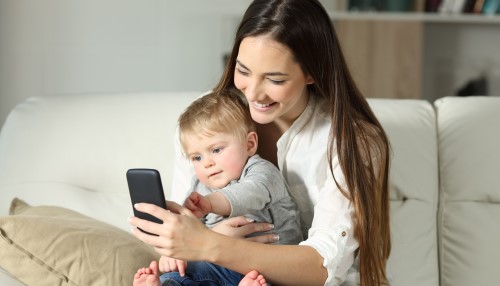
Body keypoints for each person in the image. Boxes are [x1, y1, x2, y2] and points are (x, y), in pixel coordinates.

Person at [129, 0, 391, 285]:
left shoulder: (353, 142)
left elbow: (322, 267)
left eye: (274, 80)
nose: (253, 93)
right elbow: (188, 233)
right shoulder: (205, 123)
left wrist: (214, 246)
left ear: (312, 73)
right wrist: (181, 239)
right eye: (243, 71)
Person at [133, 90, 302, 286]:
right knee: (178, 274)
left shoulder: (262, 172)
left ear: (249, 144)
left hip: (268, 266)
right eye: (197, 157)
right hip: (216, 268)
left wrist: (210, 203)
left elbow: (250, 193)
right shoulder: (199, 185)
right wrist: (174, 253)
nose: (207, 163)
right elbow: (189, 230)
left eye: (216, 150)